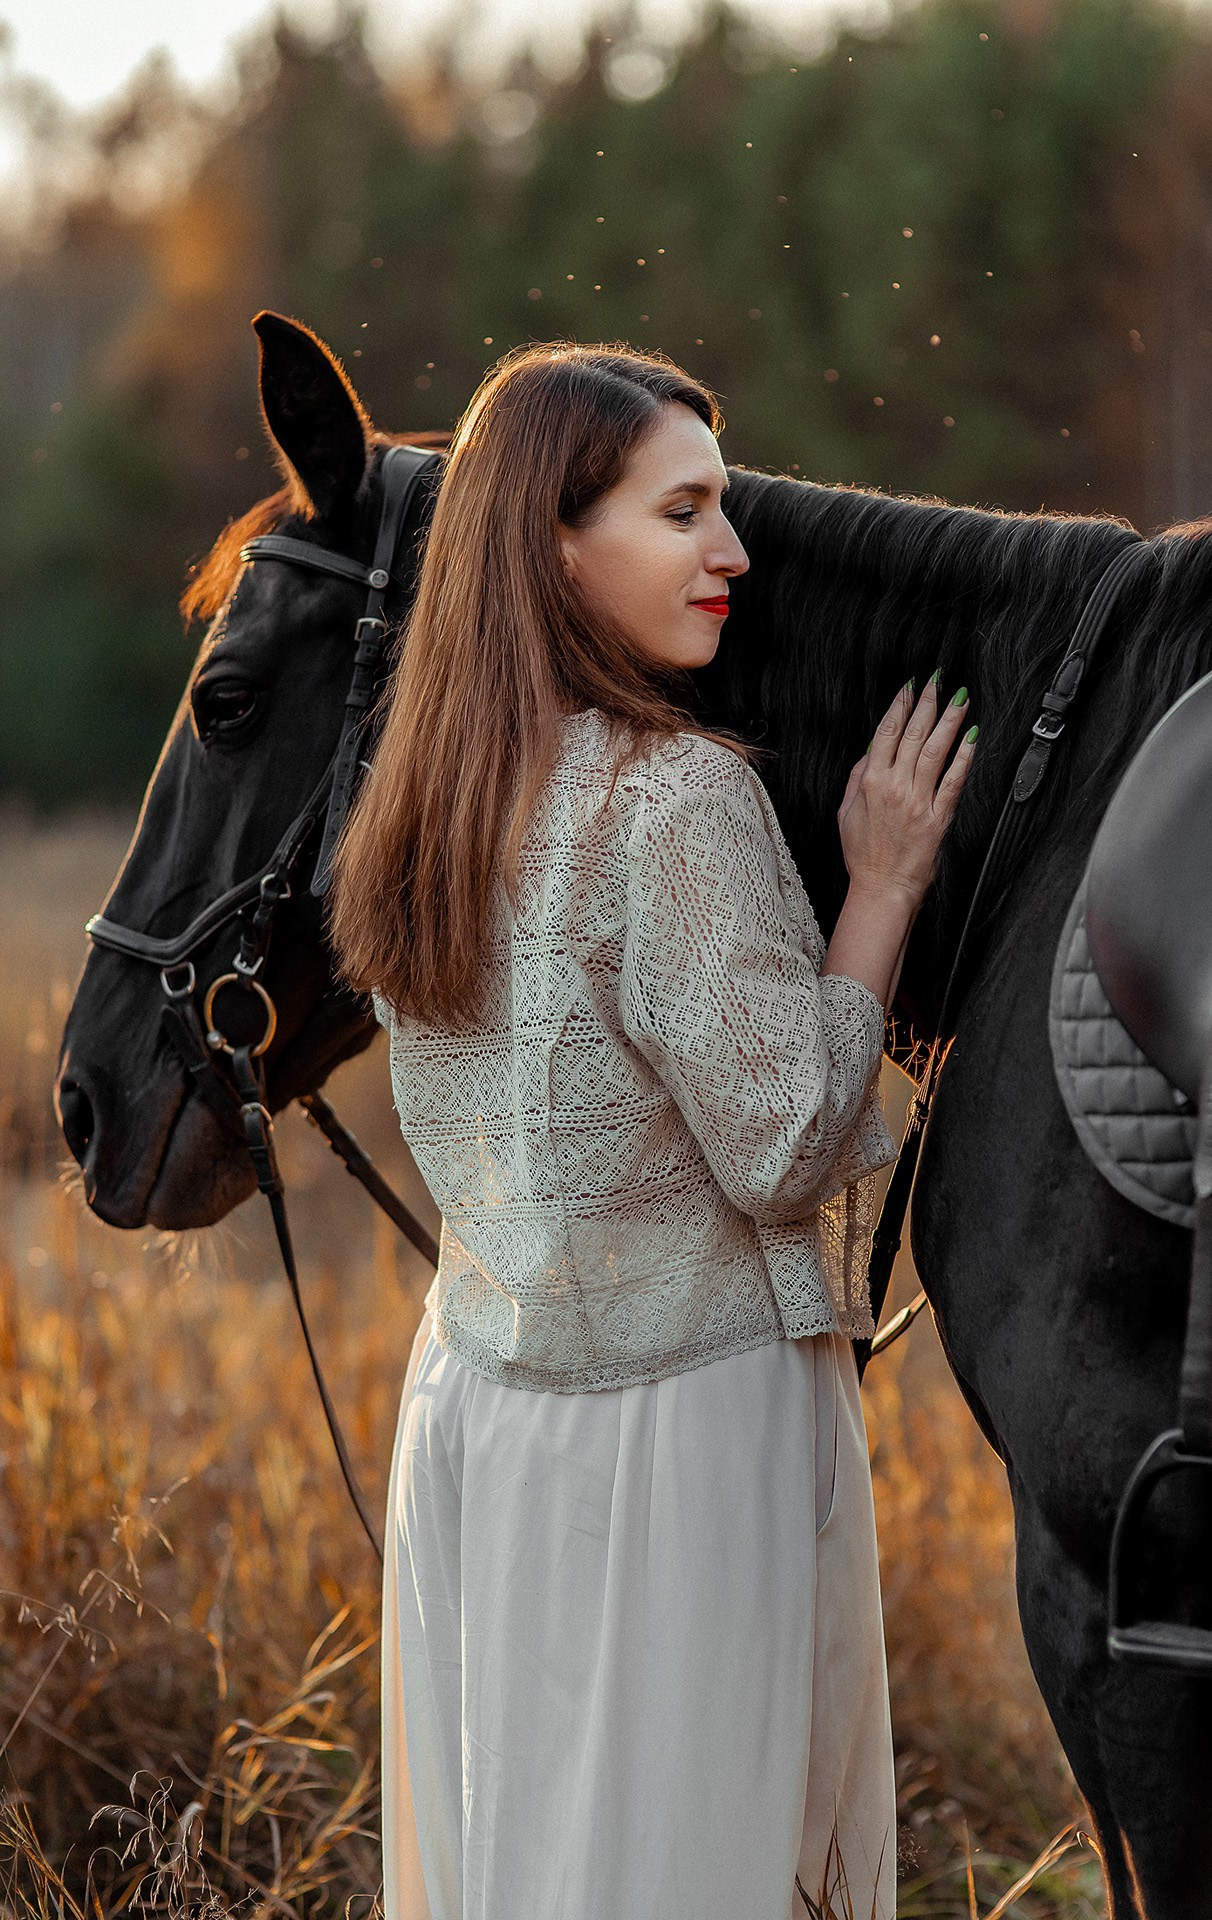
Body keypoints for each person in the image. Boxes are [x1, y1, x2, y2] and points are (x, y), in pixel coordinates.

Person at [328, 341, 975, 1920]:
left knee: (517, 1862)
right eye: (682, 511)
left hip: (476, 1408)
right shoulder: (674, 800)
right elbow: (784, 1144)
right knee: (695, 1865)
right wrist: (880, 893)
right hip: (680, 1440)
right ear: (555, 544)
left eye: (726, 508)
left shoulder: (426, 804)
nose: (733, 552)